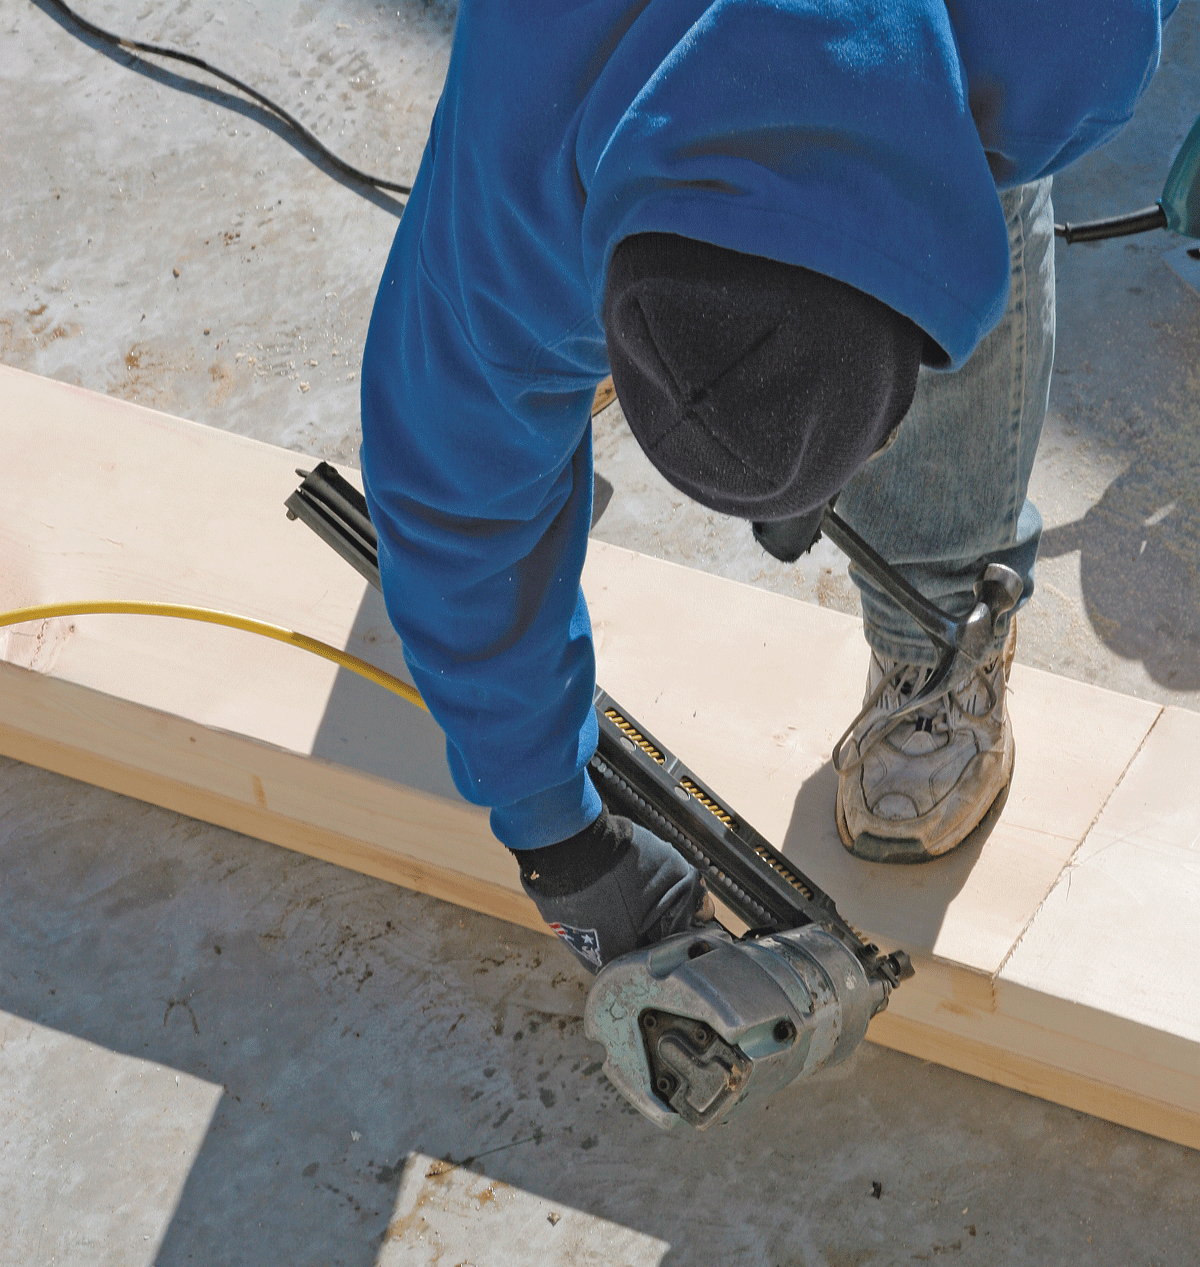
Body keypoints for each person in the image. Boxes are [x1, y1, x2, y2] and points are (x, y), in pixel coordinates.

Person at [360, 0, 1177, 972]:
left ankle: (941, 610)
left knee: (989, 193)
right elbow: (450, 506)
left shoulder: (1073, 41)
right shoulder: (510, 214)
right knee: (477, 425)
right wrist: (555, 836)